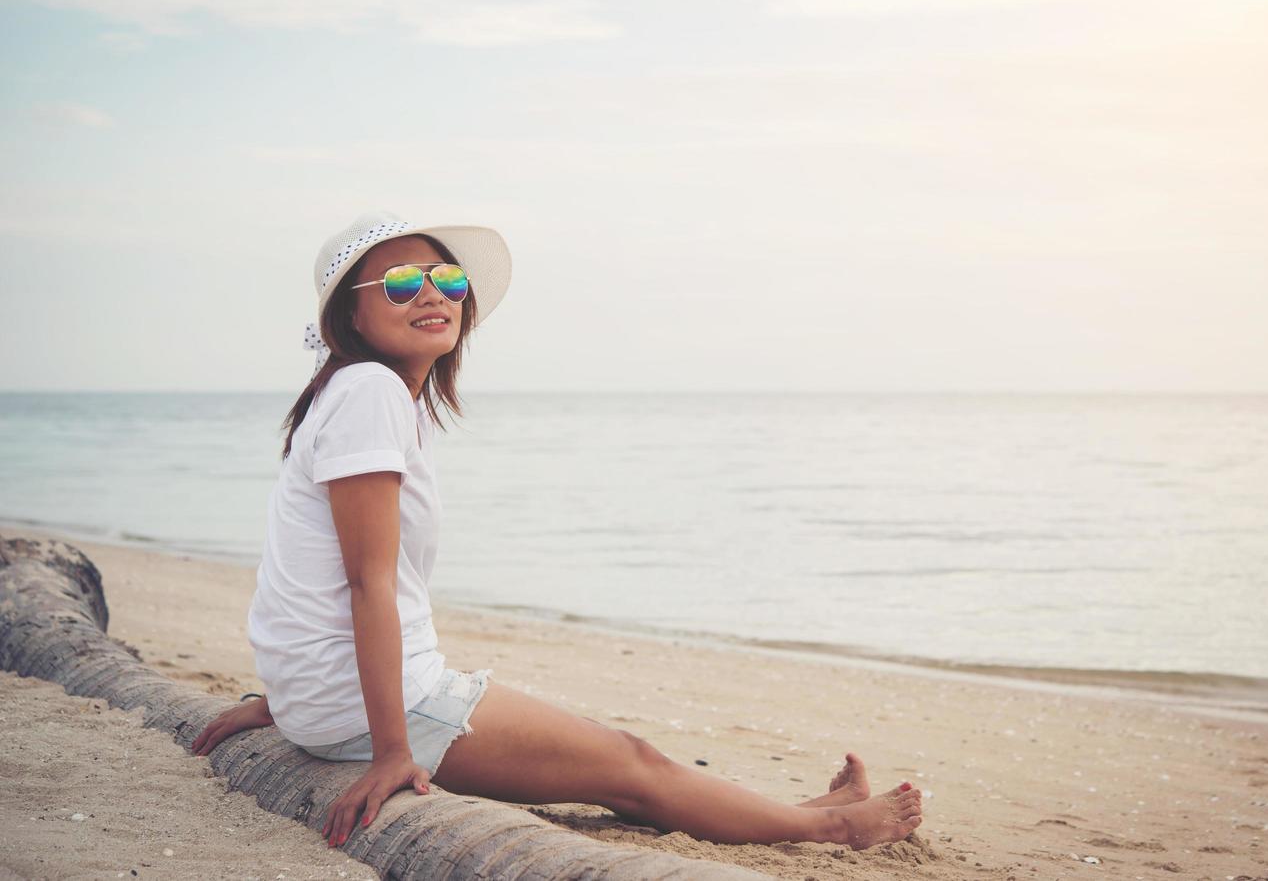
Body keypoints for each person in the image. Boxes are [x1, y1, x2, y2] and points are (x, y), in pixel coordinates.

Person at [189, 212, 923, 852]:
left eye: (444, 279)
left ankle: (798, 814)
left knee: (627, 766)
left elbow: (299, 569)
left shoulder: (369, 397)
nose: (432, 295)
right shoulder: (371, 392)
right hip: (376, 704)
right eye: (401, 283)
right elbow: (364, 582)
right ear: (349, 317)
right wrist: (389, 751)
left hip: (337, 695)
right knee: (632, 767)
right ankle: (838, 831)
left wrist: (290, 696)